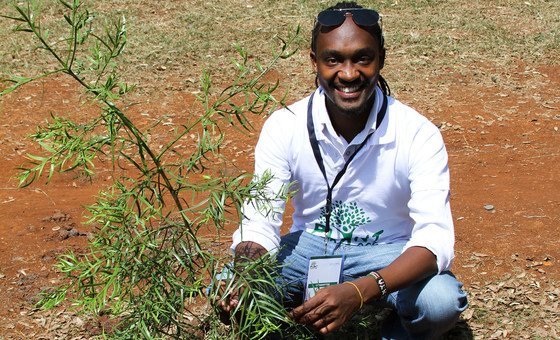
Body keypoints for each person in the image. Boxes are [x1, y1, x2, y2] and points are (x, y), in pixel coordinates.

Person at [220, 2, 468, 338]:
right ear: (315, 61)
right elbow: (259, 222)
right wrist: (246, 276)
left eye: (362, 58)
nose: (348, 74)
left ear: (381, 58)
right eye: (333, 59)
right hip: (308, 248)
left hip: (388, 252)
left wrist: (362, 290)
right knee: (227, 287)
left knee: (440, 302)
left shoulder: (416, 133)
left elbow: (435, 239)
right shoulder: (285, 126)